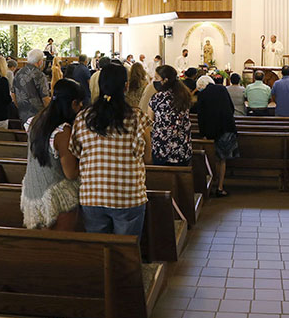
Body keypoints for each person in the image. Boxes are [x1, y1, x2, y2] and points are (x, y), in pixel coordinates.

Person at [70, 61, 152, 235]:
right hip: (128, 195)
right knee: (125, 252)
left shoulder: (83, 117)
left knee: (100, 251)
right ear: (126, 86)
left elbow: (76, 152)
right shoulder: (136, 117)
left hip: (92, 195)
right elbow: (147, 157)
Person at [20, 78, 81, 230]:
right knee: (61, 246)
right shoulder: (62, 131)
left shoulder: (36, 120)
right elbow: (71, 173)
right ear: (73, 103)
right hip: (55, 197)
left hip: (32, 192)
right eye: (80, 103)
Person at [195, 74, 238, 197]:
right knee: (222, 159)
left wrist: (202, 134)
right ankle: (220, 187)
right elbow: (232, 108)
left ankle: (211, 185)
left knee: (212, 158)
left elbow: (200, 116)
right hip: (226, 128)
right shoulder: (222, 89)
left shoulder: (202, 94)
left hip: (210, 130)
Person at [147, 65, 193, 166]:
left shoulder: (156, 98)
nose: (154, 80)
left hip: (161, 151)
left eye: (156, 78)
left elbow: (149, 121)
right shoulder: (184, 95)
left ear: (165, 80)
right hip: (182, 150)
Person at [14, 49, 51, 125]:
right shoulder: (40, 75)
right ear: (40, 61)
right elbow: (45, 98)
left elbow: (13, 94)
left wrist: (20, 107)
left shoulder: (18, 73)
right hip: (38, 116)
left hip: (23, 114)